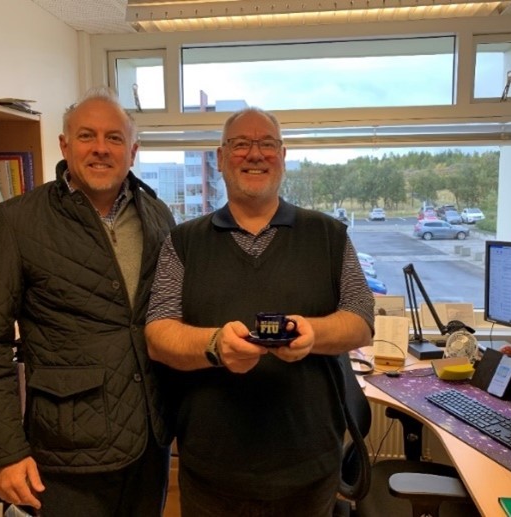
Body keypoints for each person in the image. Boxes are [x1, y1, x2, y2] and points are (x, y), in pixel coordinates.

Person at [145, 107, 375, 517]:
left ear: (282, 155)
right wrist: (214, 344)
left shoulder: (329, 235)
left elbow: (361, 320)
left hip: (309, 468)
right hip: (212, 470)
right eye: (241, 145)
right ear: (219, 158)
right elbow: (158, 334)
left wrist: (312, 334)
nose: (255, 154)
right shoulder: (182, 243)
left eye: (267, 144)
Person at [0, 86, 176, 517]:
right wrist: (4, 454)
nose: (100, 149)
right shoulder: (16, 222)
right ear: (64, 144)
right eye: (86, 136)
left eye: (114, 138)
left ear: (132, 151)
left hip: (149, 441)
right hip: (66, 451)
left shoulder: (158, 215)